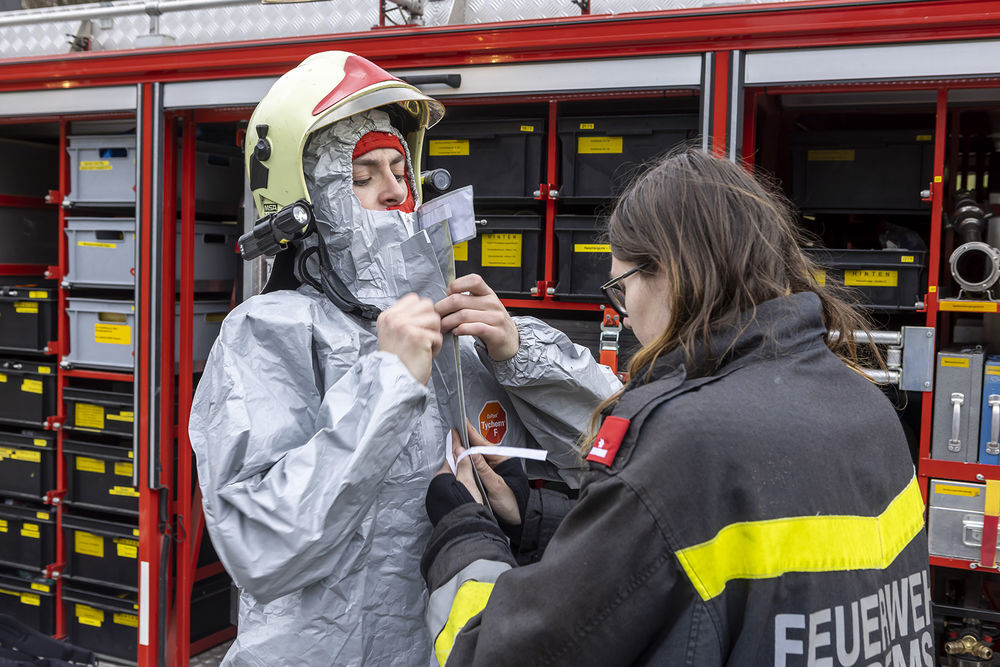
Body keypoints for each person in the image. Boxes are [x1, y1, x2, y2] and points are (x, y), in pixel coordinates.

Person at [188, 50, 619, 666]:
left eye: (399, 169)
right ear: (306, 208)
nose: (394, 191)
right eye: (362, 177)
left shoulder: (459, 330)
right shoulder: (268, 334)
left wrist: (522, 356)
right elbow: (260, 546)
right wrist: (389, 380)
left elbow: (616, 457)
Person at [421, 148, 933, 666]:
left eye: (621, 288)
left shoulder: (683, 439)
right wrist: (534, 518)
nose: (624, 317)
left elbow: (499, 656)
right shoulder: (865, 405)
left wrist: (467, 535)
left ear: (672, 272)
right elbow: (711, 564)